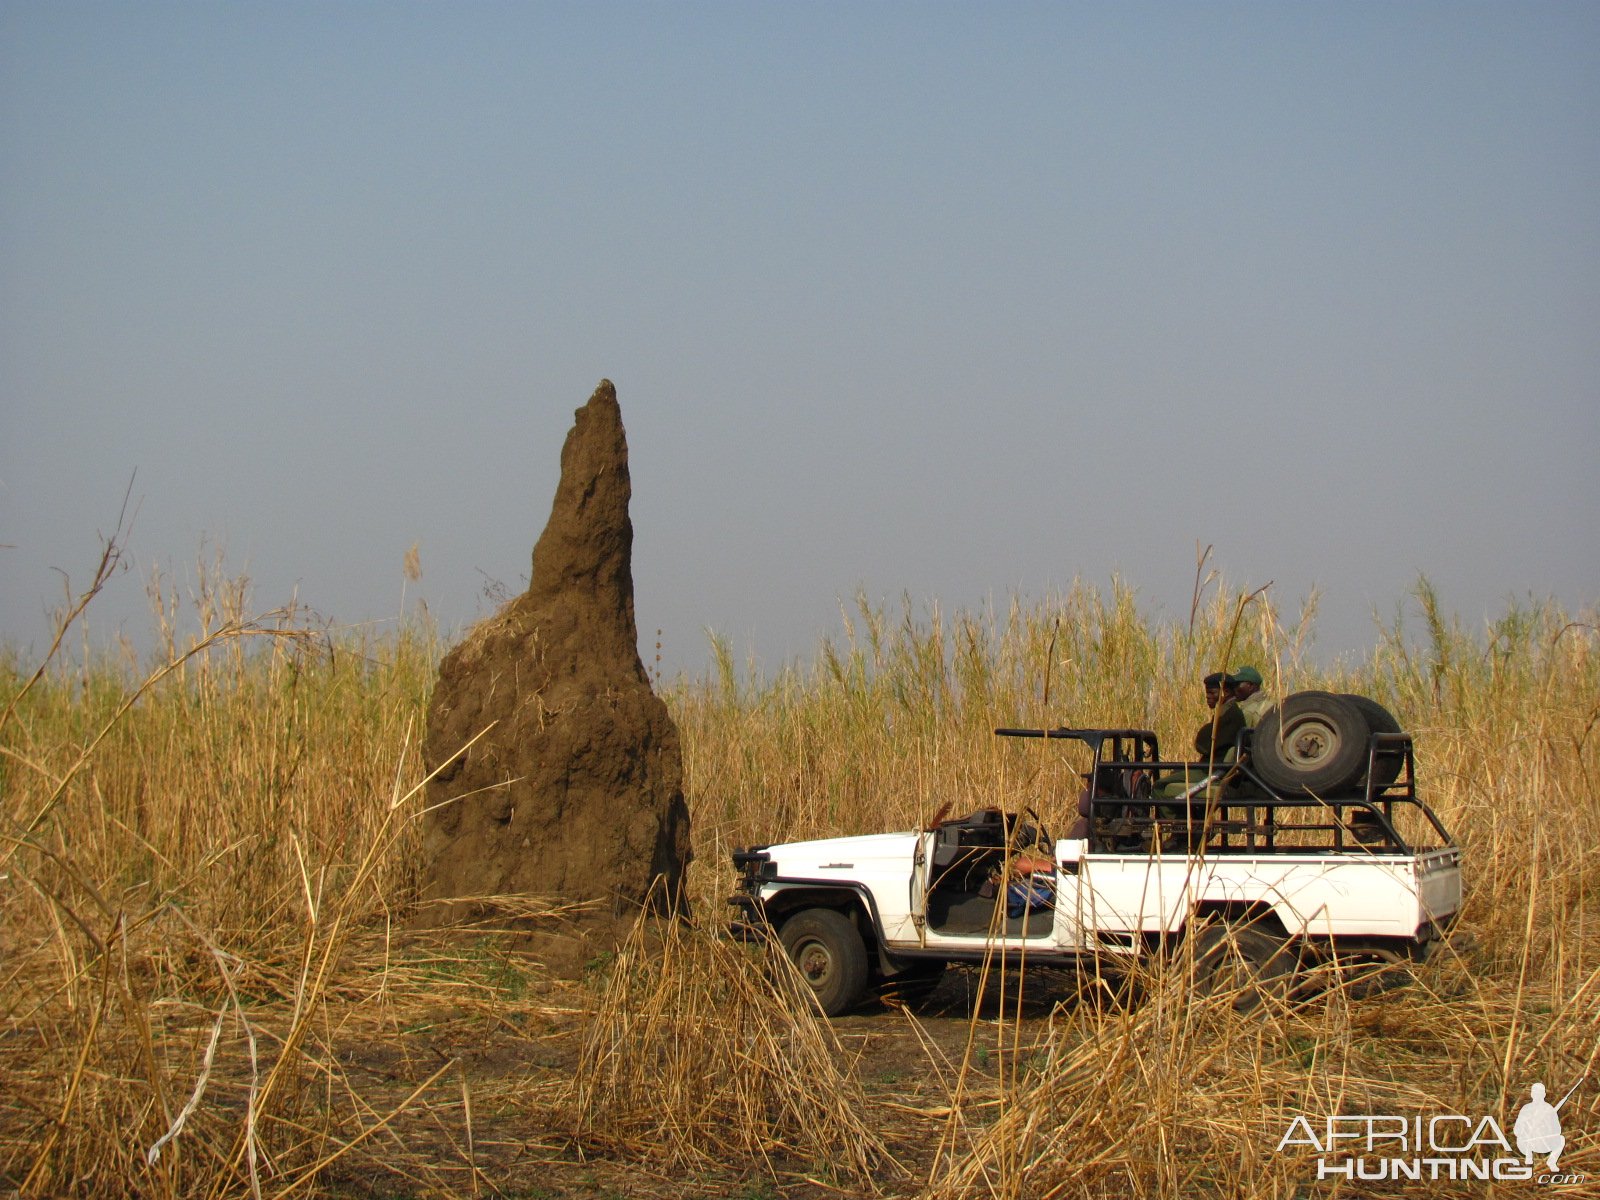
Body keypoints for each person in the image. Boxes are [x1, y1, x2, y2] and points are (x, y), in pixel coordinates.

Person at [1194, 671, 1245, 761]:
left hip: (1215, 768)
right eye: (1207, 693)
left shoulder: (1231, 715)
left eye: (1212, 693)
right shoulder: (1224, 712)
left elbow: (1205, 746)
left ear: (1226, 692)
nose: (1207, 696)